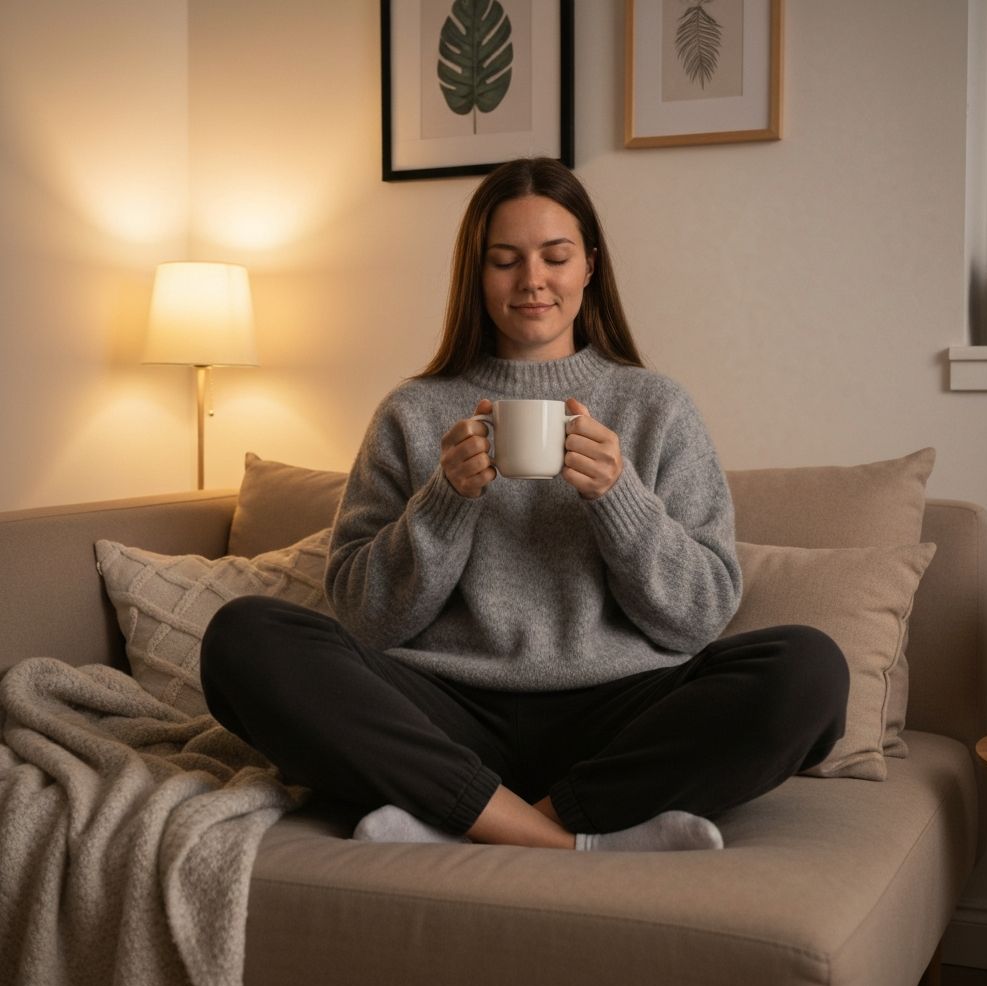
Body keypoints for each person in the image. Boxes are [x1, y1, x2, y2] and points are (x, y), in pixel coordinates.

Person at [200, 157, 849, 853]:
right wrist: (444, 502)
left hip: (618, 715)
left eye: (555, 257)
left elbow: (699, 618)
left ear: (590, 266)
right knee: (244, 637)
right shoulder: (412, 412)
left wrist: (618, 499)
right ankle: (572, 832)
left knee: (810, 670)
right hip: (444, 711)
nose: (532, 280)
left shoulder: (656, 406)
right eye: (504, 260)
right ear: (475, 277)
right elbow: (364, 617)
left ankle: (469, 818)